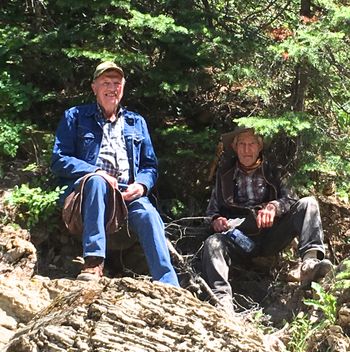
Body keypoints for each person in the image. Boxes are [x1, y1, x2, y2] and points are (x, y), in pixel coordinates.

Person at [51, 61, 179, 287]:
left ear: (123, 87)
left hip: (126, 195)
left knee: (148, 214)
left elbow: (150, 165)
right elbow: (59, 159)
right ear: (94, 87)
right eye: (106, 83)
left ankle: (169, 283)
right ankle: (93, 262)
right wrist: (96, 171)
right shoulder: (76, 116)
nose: (112, 88)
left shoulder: (136, 122)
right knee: (98, 182)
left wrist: (141, 185)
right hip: (87, 194)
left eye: (117, 83)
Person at [201, 126, 333, 314]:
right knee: (212, 243)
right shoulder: (224, 175)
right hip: (239, 237)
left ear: (260, 146)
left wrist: (273, 207)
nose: (247, 149)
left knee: (309, 203)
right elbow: (210, 212)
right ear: (235, 147)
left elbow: (291, 199)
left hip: (272, 234)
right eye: (242, 144)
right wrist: (216, 220)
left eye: (252, 144)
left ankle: (311, 263)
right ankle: (221, 299)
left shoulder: (274, 171)